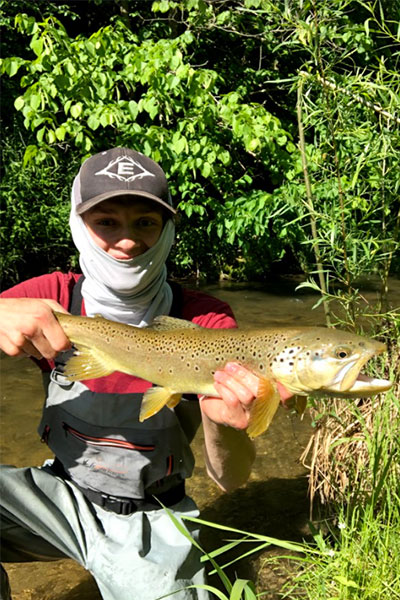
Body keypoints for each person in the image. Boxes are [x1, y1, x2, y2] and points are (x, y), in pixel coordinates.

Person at [0, 148, 290, 600]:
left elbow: (230, 479)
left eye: (145, 223)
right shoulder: (50, 299)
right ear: (79, 226)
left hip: (153, 516)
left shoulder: (207, 322)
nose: (128, 241)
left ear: (168, 230)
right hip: (59, 495)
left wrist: (223, 420)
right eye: (107, 222)